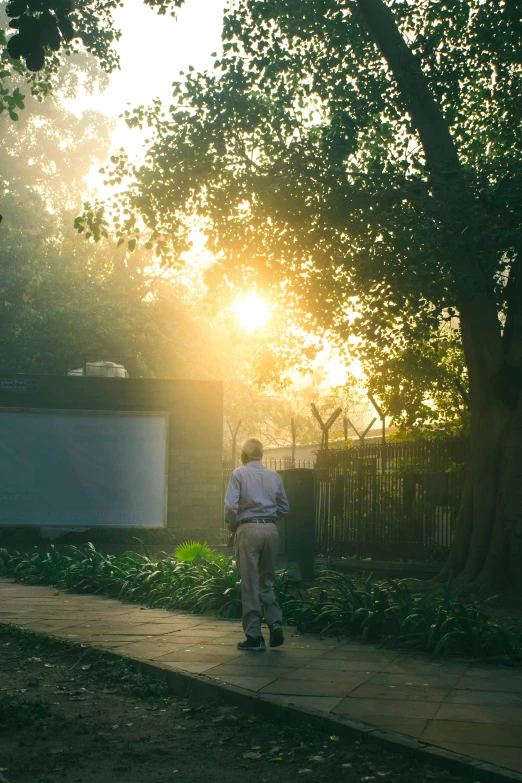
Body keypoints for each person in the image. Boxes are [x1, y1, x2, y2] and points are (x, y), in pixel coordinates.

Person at [224, 437, 290, 651]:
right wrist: (269, 518)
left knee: (249, 583)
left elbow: (231, 508)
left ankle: (254, 636)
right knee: (267, 580)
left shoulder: (238, 474)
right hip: (271, 530)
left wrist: (233, 527)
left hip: (248, 529)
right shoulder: (274, 476)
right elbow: (284, 507)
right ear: (261, 455)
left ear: (244, 455)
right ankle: (275, 622)